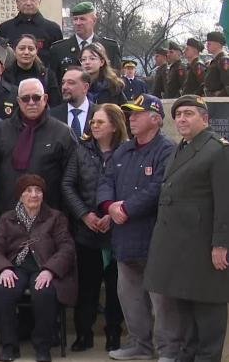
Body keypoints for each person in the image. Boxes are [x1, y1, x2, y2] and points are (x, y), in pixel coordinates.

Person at [95, 94, 180, 362]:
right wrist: (109, 206)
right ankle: (140, 346)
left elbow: (158, 188)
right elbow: (105, 180)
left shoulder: (167, 150)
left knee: (162, 301)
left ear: (155, 119)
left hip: (154, 237)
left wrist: (126, 209)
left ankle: (168, 350)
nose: (131, 118)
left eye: (138, 114)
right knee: (130, 297)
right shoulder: (123, 150)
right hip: (124, 239)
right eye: (130, 113)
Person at [145, 95, 229, 362]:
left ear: (205, 118)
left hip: (203, 247)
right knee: (186, 319)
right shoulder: (183, 146)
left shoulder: (217, 150)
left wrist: (221, 244)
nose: (181, 118)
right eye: (178, 114)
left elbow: (224, 201)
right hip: (180, 248)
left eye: (189, 113)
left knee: (208, 314)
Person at [0, 79, 74, 234]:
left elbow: (73, 174)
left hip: (48, 216)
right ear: (18, 101)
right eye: (25, 98)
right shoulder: (2, 129)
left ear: (45, 99)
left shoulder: (62, 132)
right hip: (8, 213)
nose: (31, 102)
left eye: (36, 98)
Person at [0, 174, 77, 362]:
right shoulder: (7, 218)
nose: (34, 195)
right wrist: (3, 268)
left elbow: (67, 247)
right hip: (15, 266)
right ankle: (9, 345)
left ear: (43, 195)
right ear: (20, 196)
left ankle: (43, 346)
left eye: (38, 191)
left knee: (43, 292)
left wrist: (50, 270)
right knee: (3, 291)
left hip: (44, 266)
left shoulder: (55, 217)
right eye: (28, 191)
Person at [62, 103, 128, 352]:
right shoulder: (81, 151)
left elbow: (131, 187)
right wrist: (84, 215)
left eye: (100, 122)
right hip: (86, 231)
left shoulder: (126, 151)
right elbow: (68, 185)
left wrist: (112, 214)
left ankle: (114, 333)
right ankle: (83, 333)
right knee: (86, 287)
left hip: (117, 230)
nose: (94, 125)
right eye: (93, 121)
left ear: (114, 124)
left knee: (116, 289)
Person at [0, 0, 63, 65]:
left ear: (39, 2)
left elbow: (58, 60)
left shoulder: (52, 29)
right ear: (17, 2)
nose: (28, 3)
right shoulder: (5, 28)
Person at [48, 1, 122, 79]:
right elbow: (54, 84)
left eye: (82, 19)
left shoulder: (110, 48)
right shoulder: (59, 49)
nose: (78, 23)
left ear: (94, 20)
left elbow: (116, 82)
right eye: (75, 19)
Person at [3, 34, 60, 106]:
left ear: (36, 51)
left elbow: (55, 103)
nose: (26, 52)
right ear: (14, 51)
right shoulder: (5, 75)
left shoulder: (47, 75)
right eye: (22, 48)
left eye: (31, 49)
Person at [50, 66, 97, 137]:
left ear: (85, 87)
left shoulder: (98, 113)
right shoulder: (52, 115)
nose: (64, 87)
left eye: (71, 83)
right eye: (63, 83)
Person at [204, 31, 228, 96]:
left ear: (218, 44)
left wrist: (217, 95)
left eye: (209, 44)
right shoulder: (214, 61)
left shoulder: (224, 60)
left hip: (220, 103)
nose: (207, 46)